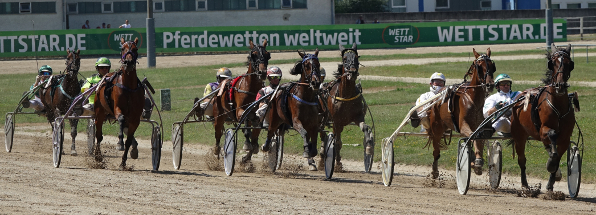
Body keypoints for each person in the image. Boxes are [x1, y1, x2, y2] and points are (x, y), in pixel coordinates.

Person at [257, 66, 283, 152]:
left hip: (281, 116)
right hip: (267, 116)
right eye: (273, 77)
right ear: (268, 78)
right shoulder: (263, 90)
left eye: (278, 77)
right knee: (264, 107)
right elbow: (259, 104)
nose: (276, 79)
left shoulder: (283, 90)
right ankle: (259, 122)